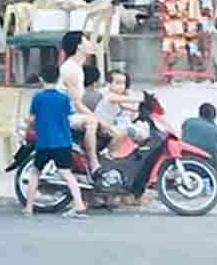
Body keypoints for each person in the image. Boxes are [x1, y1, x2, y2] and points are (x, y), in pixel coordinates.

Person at [24, 63, 85, 217]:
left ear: (41, 78)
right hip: (63, 142)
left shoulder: (38, 98)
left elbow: (32, 118)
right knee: (67, 174)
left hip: (44, 142)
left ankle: (29, 207)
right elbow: (68, 115)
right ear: (58, 78)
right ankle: (79, 204)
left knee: (35, 172)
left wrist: (29, 122)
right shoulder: (63, 98)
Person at [57, 32, 101, 174]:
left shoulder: (77, 68)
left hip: (70, 112)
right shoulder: (71, 70)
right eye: (86, 41)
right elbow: (77, 104)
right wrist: (97, 118)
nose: (90, 43)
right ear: (78, 47)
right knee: (92, 122)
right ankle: (93, 162)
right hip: (63, 115)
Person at [94, 68, 146, 157]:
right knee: (123, 132)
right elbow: (127, 99)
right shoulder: (110, 96)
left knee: (136, 130)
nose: (121, 86)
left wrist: (140, 109)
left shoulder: (116, 97)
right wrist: (143, 98)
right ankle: (110, 153)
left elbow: (125, 106)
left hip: (108, 125)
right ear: (108, 84)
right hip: (101, 126)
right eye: (117, 83)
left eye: (123, 83)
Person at [182, 102, 217, 169]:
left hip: (186, 164)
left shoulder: (188, 123)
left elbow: (181, 142)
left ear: (199, 113)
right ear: (214, 116)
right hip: (208, 168)